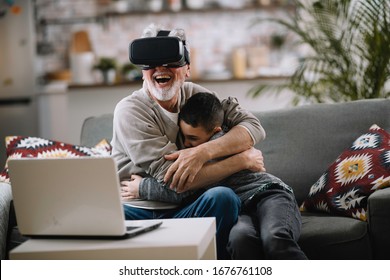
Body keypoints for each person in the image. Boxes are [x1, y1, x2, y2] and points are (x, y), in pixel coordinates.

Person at [111, 24, 266, 259]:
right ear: (142, 72)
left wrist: (201, 153)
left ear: (187, 70)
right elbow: (175, 180)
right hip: (139, 211)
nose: (160, 69)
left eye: (171, 62)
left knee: (223, 198)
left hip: (187, 207)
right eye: (151, 64)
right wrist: (243, 159)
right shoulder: (129, 110)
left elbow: (253, 127)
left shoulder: (196, 96)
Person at [122, 92, 308, 260]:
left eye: (193, 139)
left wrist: (142, 187)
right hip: (243, 207)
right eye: (184, 137)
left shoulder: (217, 144)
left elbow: (183, 188)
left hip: (269, 195)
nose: (187, 145)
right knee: (239, 239)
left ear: (216, 132)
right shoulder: (194, 140)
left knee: (274, 236)